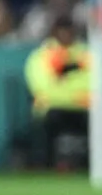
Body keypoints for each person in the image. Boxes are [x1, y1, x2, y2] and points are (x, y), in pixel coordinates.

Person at [25, 16, 91, 170]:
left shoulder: (86, 55)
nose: (65, 35)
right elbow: (42, 87)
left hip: (82, 109)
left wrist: (61, 86)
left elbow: (93, 83)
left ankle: (92, 164)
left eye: (69, 31)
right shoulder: (42, 56)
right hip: (51, 109)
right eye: (62, 31)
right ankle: (45, 166)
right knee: (48, 122)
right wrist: (72, 94)